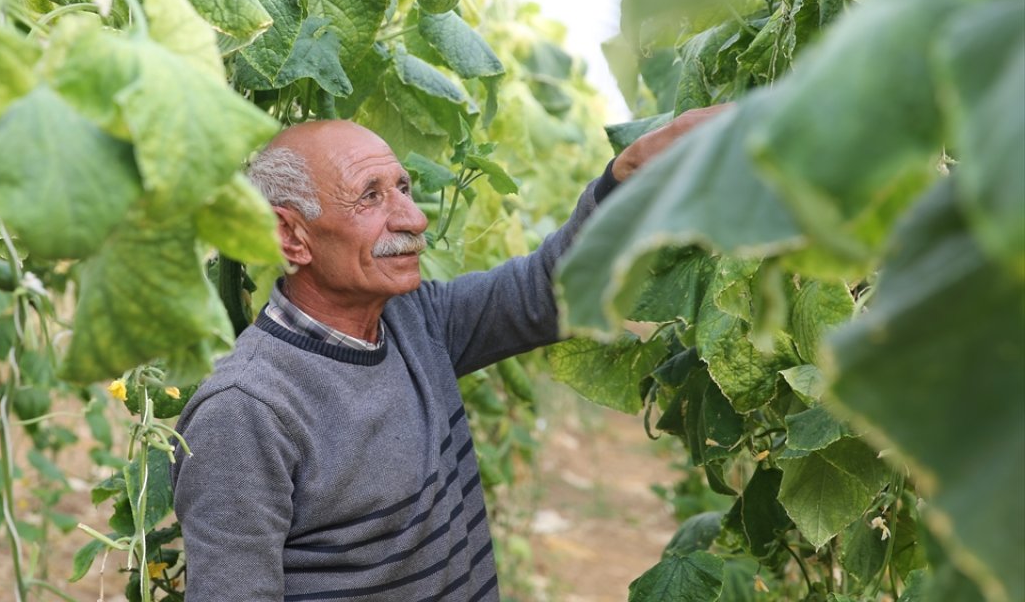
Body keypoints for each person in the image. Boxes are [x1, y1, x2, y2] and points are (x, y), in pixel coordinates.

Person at [170, 107, 727, 600]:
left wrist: (624, 177)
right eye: (370, 196)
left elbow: (548, 288)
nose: (413, 219)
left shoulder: (416, 323)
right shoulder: (245, 411)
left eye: (404, 188)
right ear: (291, 237)